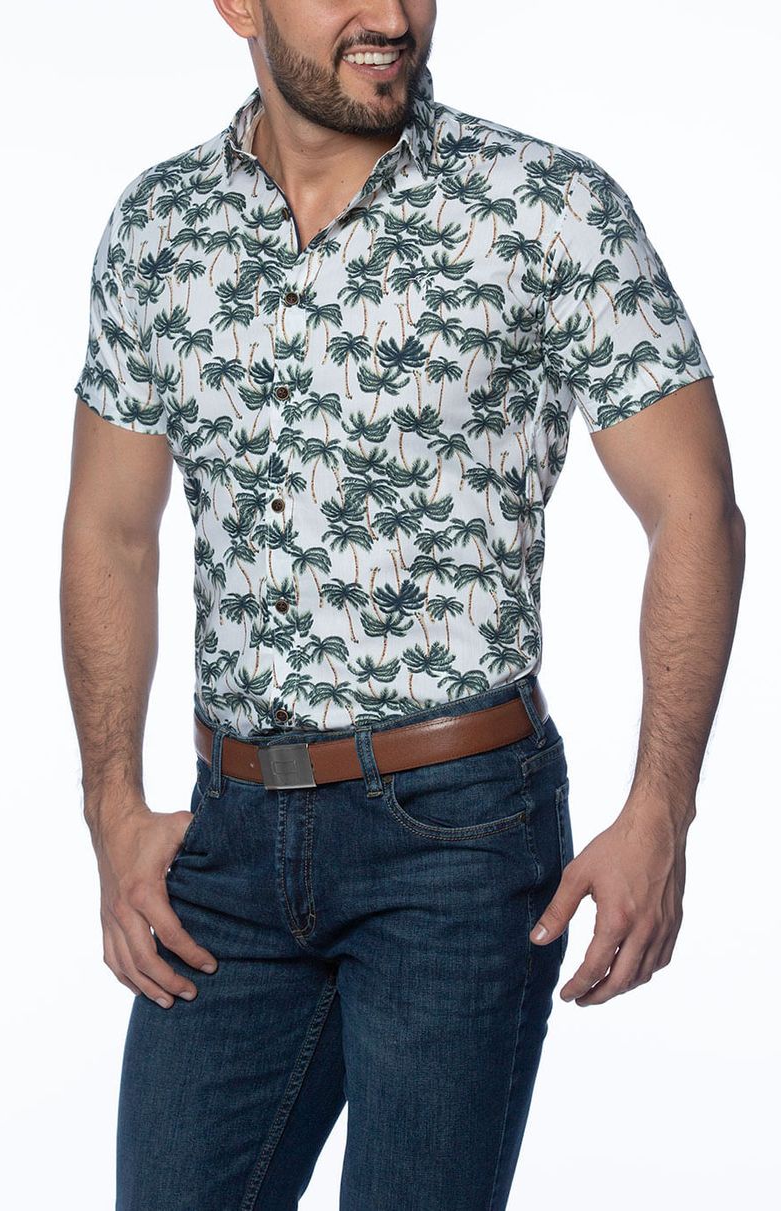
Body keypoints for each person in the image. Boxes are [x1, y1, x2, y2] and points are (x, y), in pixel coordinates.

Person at [60, 2, 745, 1208]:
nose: (389, 16)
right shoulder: (160, 230)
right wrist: (110, 807)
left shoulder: (544, 208)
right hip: (228, 845)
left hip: (458, 841)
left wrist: (660, 810)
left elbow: (693, 508)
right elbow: (110, 531)